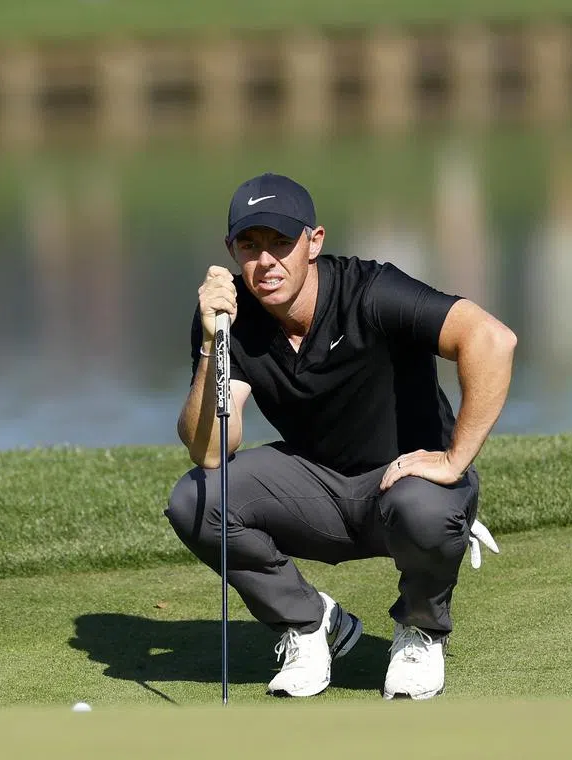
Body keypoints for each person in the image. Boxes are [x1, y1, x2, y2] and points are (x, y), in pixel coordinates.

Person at [165, 172, 515, 700]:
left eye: (282, 242)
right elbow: (210, 450)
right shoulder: (228, 316)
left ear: (314, 241)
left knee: (423, 507)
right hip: (318, 492)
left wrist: (453, 460)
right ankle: (309, 624)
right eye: (250, 245)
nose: (266, 261)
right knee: (195, 501)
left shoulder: (371, 291)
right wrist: (212, 344)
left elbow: (491, 339)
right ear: (231, 250)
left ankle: (421, 632)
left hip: (407, 486)